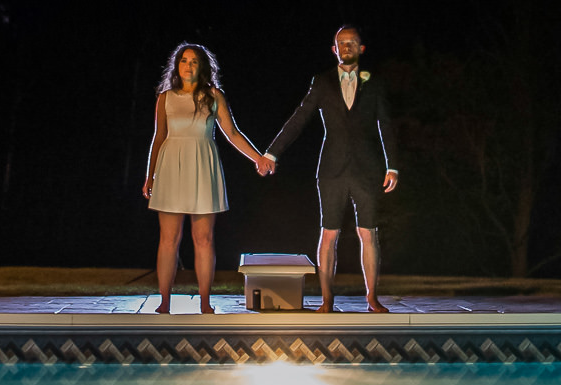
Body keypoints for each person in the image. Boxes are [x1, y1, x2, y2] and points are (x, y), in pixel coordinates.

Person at [266, 24, 399, 312]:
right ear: (334, 49)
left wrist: (393, 166)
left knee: (369, 232)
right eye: (342, 42)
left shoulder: (374, 82)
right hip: (331, 169)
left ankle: (372, 297)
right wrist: (272, 153)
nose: (347, 46)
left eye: (352, 42)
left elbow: (386, 124)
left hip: (367, 168)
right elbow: (299, 119)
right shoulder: (322, 82)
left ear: (361, 48)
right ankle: (327, 301)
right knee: (329, 233)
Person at [142, 42, 273, 313]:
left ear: (201, 66)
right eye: (183, 60)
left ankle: (204, 302)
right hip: (170, 168)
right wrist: (149, 176)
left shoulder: (213, 96)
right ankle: (164, 302)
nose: (188, 65)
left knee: (203, 238)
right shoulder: (165, 98)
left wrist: (258, 157)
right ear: (176, 66)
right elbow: (158, 138)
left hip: (203, 166)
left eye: (193, 61)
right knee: (169, 238)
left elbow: (232, 133)